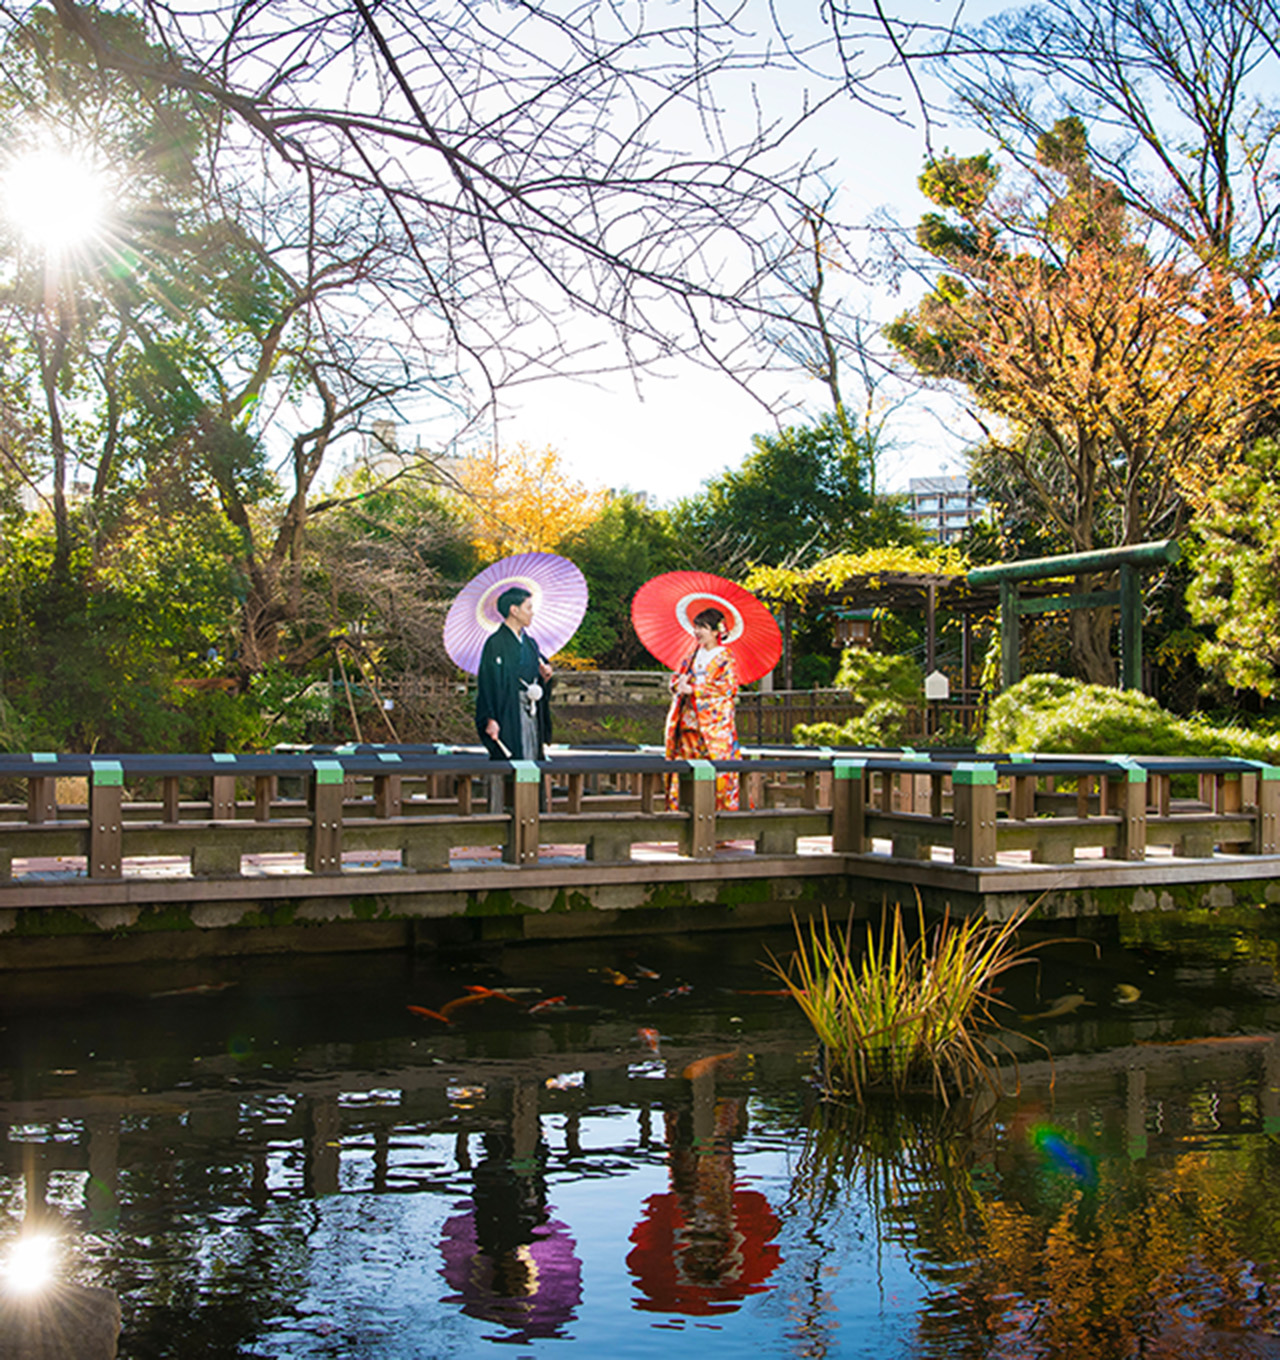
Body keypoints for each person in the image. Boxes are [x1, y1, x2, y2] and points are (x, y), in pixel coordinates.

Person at [664, 607, 740, 810]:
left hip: (713, 728)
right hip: (688, 724)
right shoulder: (691, 656)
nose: (697, 632)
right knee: (684, 771)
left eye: (703, 627)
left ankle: (718, 823)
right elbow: (677, 677)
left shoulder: (725, 657)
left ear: (716, 631)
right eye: (696, 627)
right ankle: (682, 816)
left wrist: (695, 689)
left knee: (717, 773)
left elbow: (727, 688)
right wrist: (678, 684)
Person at [475, 586, 554, 760]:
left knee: (532, 754)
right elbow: (487, 683)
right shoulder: (495, 644)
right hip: (507, 712)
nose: (532, 613)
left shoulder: (531, 644)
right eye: (528, 608)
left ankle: (530, 787)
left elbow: (538, 677)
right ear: (514, 610)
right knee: (510, 761)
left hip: (531, 710)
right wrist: (490, 718)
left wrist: (545, 676)